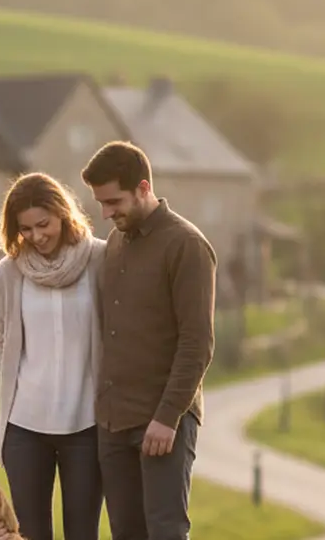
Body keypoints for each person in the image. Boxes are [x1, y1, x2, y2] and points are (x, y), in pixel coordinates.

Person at [80, 141, 216, 540]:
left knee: (165, 531)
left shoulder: (186, 245)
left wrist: (167, 416)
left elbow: (198, 343)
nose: (106, 213)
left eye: (113, 201)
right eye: (100, 203)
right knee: (126, 533)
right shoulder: (117, 243)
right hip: (113, 421)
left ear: (143, 187)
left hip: (162, 421)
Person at [0, 172, 106, 540]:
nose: (37, 236)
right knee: (30, 534)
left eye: (44, 224)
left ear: (63, 213)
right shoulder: (8, 272)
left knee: (82, 533)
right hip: (25, 426)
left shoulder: (100, 259)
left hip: (86, 425)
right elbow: (4, 339)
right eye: (25, 229)